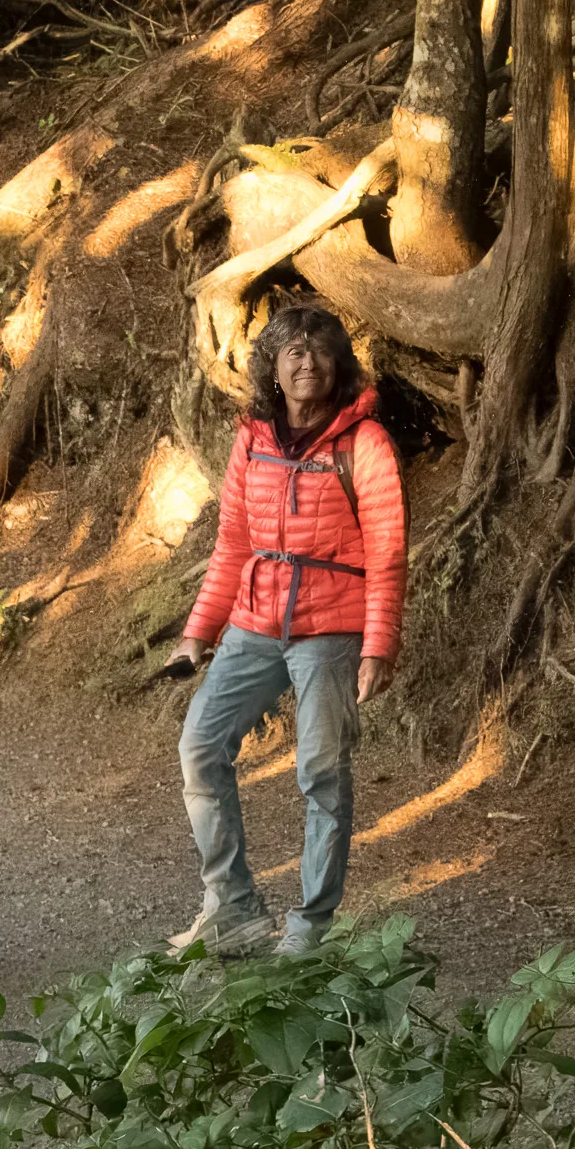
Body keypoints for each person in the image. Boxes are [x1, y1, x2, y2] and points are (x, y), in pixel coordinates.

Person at [165, 304, 406, 959]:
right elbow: (232, 543)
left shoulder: (366, 444)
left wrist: (379, 644)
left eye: (320, 350)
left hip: (332, 626)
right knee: (201, 745)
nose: (307, 362)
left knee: (321, 774)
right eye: (293, 352)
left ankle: (310, 929)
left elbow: (386, 551)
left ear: (340, 364)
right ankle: (233, 908)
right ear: (271, 367)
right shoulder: (253, 440)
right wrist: (199, 631)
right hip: (254, 618)